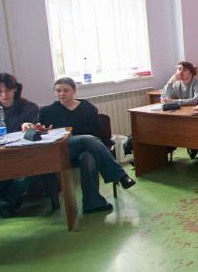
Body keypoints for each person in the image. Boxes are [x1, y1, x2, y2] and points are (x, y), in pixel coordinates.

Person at [40, 78, 136, 213]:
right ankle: (120, 175)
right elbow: (42, 133)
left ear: (74, 91)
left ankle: (92, 203)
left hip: (89, 148)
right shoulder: (47, 112)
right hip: (64, 148)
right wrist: (45, 130)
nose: (62, 94)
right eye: (58, 91)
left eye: (66, 90)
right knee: (87, 139)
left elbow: (97, 132)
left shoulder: (86, 107)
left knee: (88, 157)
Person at [0, 73, 52, 218]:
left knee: (26, 174)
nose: (4, 95)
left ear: (15, 89)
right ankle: (7, 202)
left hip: (21, 155)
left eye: (7, 90)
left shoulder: (28, 107)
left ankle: (4, 203)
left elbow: (36, 128)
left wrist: (29, 126)